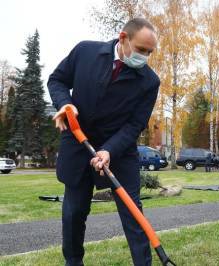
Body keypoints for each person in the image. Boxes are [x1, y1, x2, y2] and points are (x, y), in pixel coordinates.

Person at [48, 18, 159, 266]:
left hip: (119, 150)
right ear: (123, 38)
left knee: (133, 213)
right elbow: (57, 81)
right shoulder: (85, 51)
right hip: (78, 144)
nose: (145, 57)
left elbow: (135, 124)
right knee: (74, 212)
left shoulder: (150, 82)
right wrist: (65, 104)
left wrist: (109, 150)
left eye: (150, 52)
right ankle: (73, 262)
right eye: (141, 49)